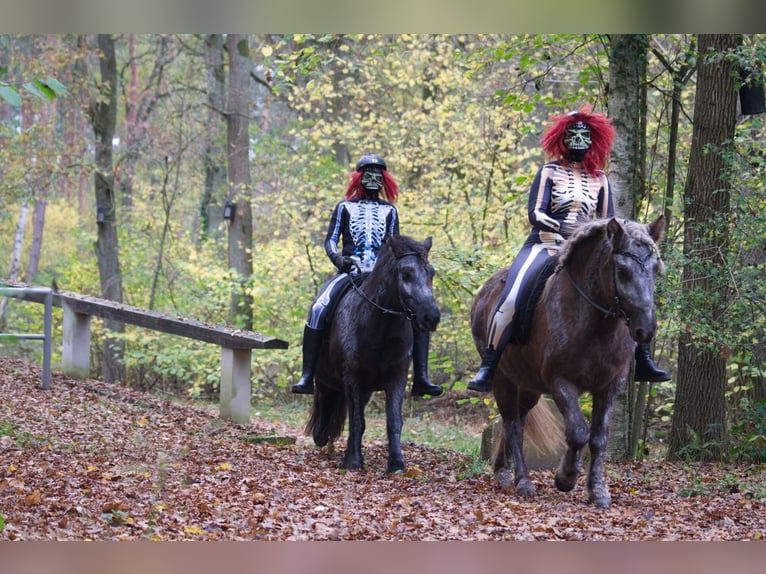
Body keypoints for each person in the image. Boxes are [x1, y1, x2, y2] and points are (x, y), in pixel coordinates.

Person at [468, 106, 670, 392]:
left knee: (630, 288)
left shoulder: (601, 179)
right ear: (562, 139)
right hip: (545, 243)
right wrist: (562, 228)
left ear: (592, 141)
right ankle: (490, 364)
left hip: (584, 253)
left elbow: (605, 221)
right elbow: (535, 213)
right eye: (573, 135)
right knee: (513, 294)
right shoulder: (549, 172)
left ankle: (643, 357)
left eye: (584, 136)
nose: (578, 141)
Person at [292, 154, 444, 397]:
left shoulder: (390, 211)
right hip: (349, 272)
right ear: (359, 178)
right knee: (320, 306)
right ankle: (307, 374)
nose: (373, 179)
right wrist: (340, 260)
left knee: (416, 307)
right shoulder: (344, 207)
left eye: (378, 175)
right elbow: (331, 241)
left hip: (380, 276)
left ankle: (421, 377)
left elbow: (395, 246)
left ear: (384, 180)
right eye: (368, 175)